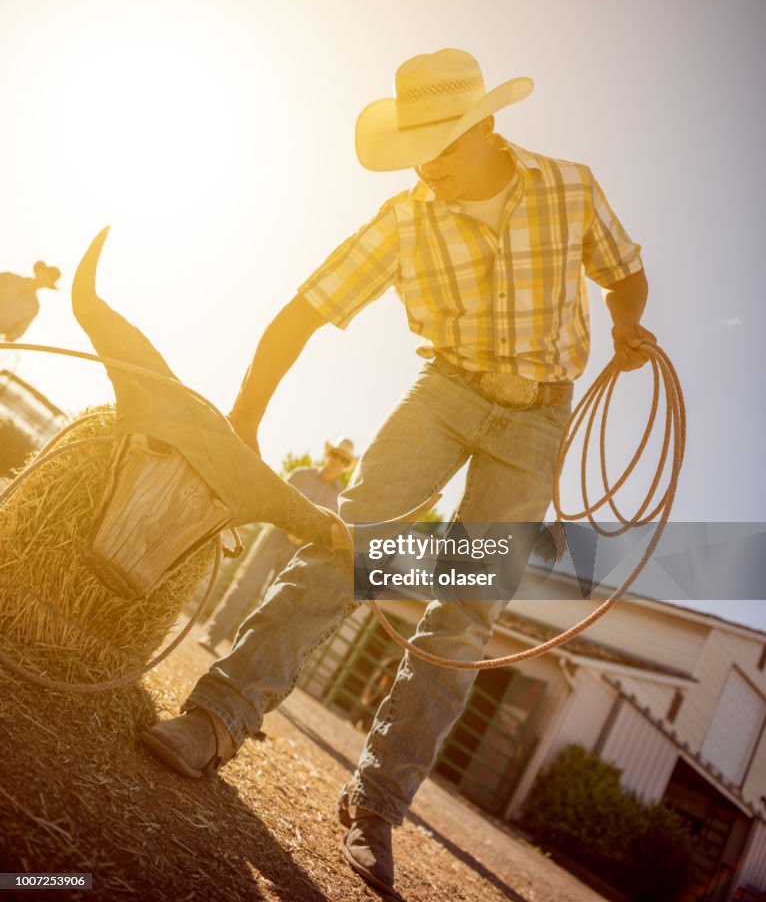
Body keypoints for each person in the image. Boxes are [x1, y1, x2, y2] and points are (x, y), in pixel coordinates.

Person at [140, 48, 655, 894]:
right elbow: (303, 310)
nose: (428, 169)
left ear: (488, 126)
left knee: (465, 614)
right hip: (444, 388)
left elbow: (624, 274)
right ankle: (217, 716)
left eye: (442, 148)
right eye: (417, 151)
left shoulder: (570, 186)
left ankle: (375, 804)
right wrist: (247, 413)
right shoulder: (405, 217)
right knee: (349, 544)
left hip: (539, 418)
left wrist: (629, 327)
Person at [198, 437, 357, 654]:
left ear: (346, 465)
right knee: (244, 587)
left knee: (272, 602)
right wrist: (291, 527)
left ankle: (240, 655)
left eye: (343, 459)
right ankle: (211, 636)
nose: (337, 460)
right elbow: (277, 502)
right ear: (328, 455)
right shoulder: (301, 474)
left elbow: (330, 530)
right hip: (275, 536)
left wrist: (305, 537)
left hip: (298, 552)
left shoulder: (340, 498)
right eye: (335, 455)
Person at [0, 262, 61, 342]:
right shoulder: (9, 278)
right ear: (39, 272)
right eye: (44, 277)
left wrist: (11, 338)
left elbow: (19, 330)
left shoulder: (34, 307)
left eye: (47, 281)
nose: (43, 281)